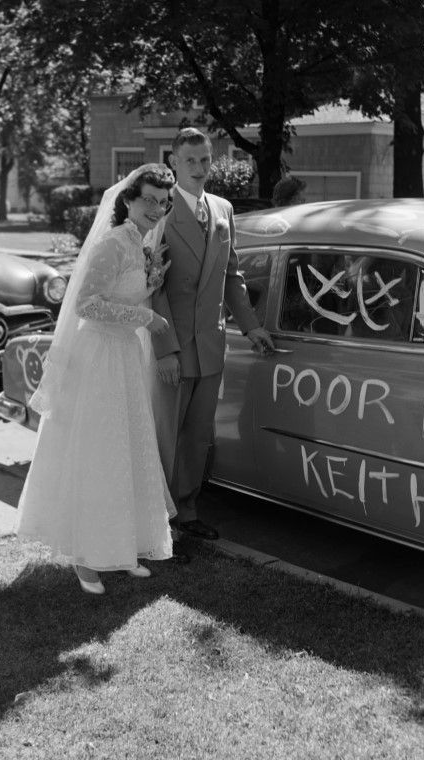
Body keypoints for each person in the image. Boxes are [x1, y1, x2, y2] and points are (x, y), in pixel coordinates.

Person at [17, 164, 176, 595]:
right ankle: (85, 558)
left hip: (123, 354)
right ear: (129, 200)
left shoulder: (140, 243)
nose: (155, 209)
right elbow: (86, 304)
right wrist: (144, 315)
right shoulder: (112, 243)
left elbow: (123, 291)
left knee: (127, 449)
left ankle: (122, 548)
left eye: (162, 203)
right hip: (100, 357)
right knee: (100, 452)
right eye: (148, 200)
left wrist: (150, 282)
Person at [152, 127, 275, 553]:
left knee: (198, 435)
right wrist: (164, 349)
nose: (200, 168)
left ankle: (187, 513)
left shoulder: (223, 208)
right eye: (190, 160)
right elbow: (154, 288)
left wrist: (251, 325)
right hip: (173, 347)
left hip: (211, 345)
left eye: (205, 159)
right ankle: (157, 520)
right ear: (173, 163)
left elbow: (231, 275)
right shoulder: (159, 212)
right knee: (166, 435)